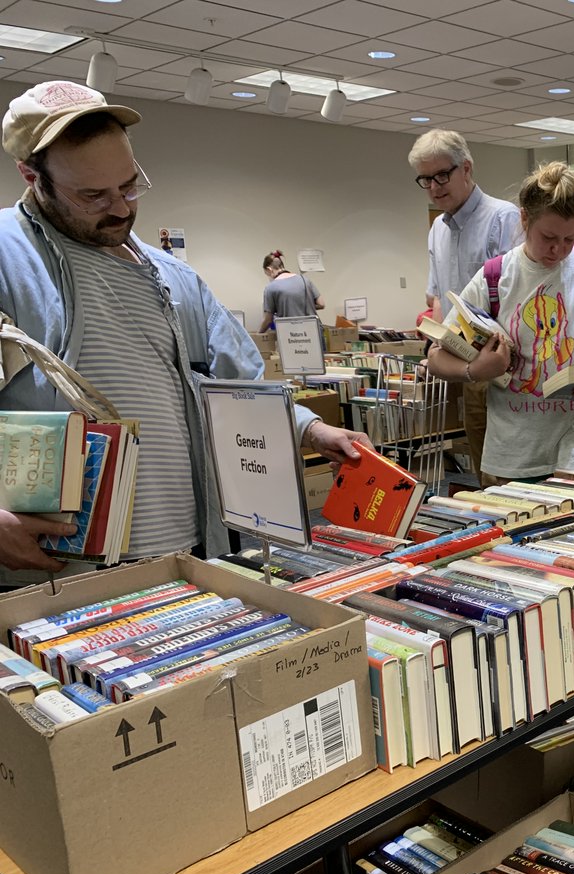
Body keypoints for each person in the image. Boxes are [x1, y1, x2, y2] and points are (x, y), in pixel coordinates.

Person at [0, 81, 367, 579]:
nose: (123, 208)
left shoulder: (173, 277)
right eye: (93, 196)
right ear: (31, 175)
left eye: (130, 185)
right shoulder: (6, 260)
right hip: (56, 569)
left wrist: (311, 428)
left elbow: (240, 382)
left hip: (187, 553)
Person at [425, 162, 574, 484]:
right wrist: (475, 371)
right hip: (515, 455)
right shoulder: (495, 277)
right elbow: (435, 358)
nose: (558, 249)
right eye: (548, 237)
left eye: (570, 238)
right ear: (525, 218)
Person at [409, 129, 521, 482]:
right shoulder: (437, 231)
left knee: (515, 471)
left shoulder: (503, 218)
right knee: (484, 468)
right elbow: (439, 300)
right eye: (425, 179)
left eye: (442, 175)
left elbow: (518, 299)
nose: (434, 186)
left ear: (467, 168)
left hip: (509, 368)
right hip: (466, 367)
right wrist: (436, 350)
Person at [259, 250, 323, 332]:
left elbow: (268, 320)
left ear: (269, 269)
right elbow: (321, 304)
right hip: (314, 332)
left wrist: (258, 335)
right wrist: (300, 305)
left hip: (292, 336)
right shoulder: (305, 280)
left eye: (267, 274)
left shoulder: (270, 287)